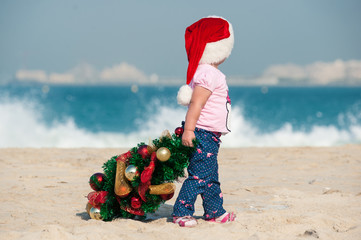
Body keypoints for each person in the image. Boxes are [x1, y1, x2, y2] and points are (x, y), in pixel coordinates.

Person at [172, 16, 236, 227]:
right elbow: (196, 105)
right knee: (199, 176)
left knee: (210, 176)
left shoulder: (209, 72)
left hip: (211, 135)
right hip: (203, 133)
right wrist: (189, 130)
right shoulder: (209, 73)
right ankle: (181, 211)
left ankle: (214, 210)